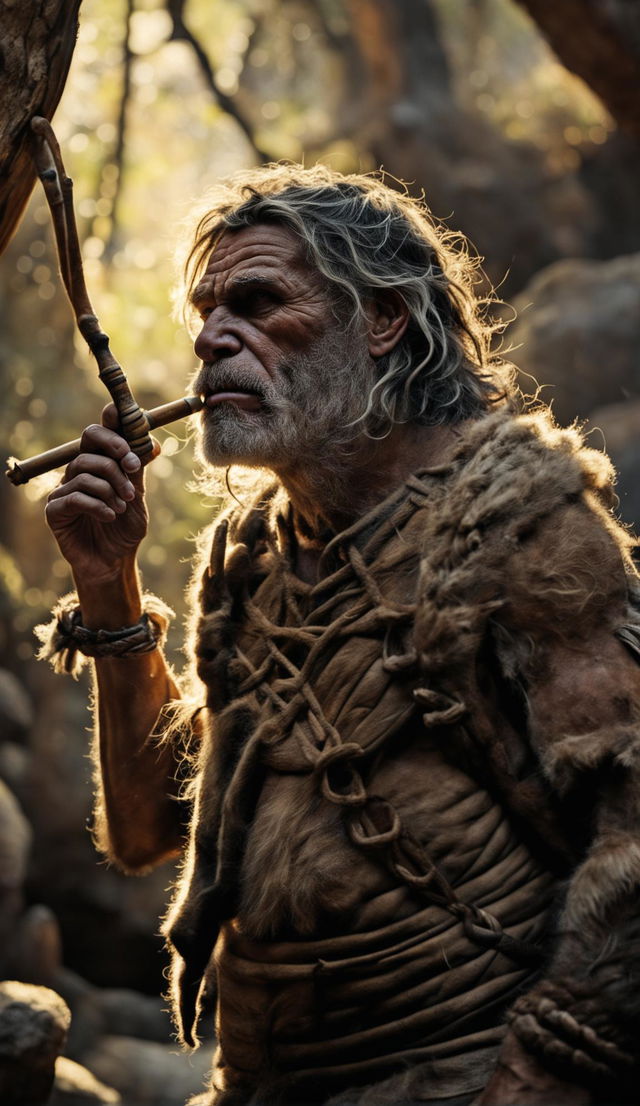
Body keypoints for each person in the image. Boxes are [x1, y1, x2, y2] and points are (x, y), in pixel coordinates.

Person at [40, 165, 640, 1106]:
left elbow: (634, 832)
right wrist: (108, 583)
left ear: (383, 320)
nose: (210, 339)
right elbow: (149, 832)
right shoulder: (247, 558)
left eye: (257, 302)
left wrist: (537, 1077)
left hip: (470, 1077)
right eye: (204, 311)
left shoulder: (519, 517)